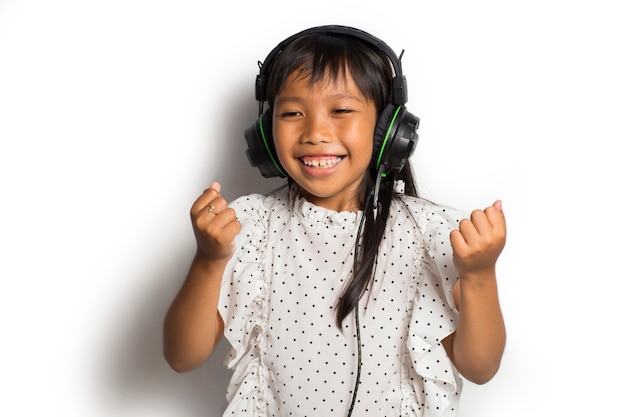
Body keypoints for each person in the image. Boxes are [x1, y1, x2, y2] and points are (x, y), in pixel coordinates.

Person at [163, 25, 507, 417]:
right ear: (264, 131)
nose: (315, 132)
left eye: (341, 110)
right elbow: (181, 356)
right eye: (292, 113)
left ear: (388, 130)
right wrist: (208, 259)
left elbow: (480, 367)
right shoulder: (252, 226)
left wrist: (479, 275)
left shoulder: (427, 233)